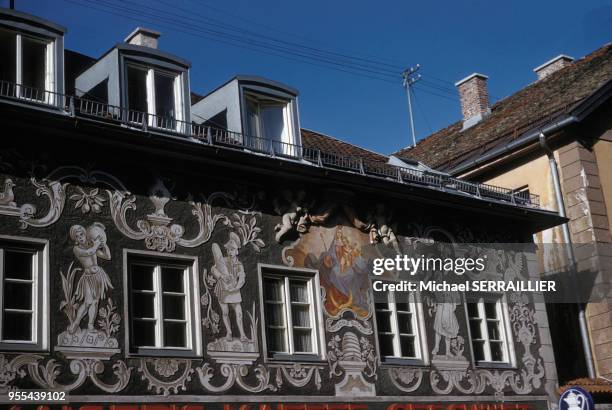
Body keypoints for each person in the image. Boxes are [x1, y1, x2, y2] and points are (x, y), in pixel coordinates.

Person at [69, 223, 113, 334]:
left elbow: (107, 256)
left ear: (85, 235)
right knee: (88, 302)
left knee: (95, 302)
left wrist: (104, 244)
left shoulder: (92, 246)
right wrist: (96, 244)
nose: (81, 238)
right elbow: (89, 252)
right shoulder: (77, 249)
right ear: (76, 239)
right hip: (87, 277)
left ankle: (90, 326)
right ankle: (76, 322)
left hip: (98, 276)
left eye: (82, 235)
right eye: (78, 236)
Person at [211, 232, 247, 341]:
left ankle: (242, 335)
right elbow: (213, 269)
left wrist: (236, 287)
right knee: (225, 312)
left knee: (239, 313)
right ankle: (229, 332)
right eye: (228, 249)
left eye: (231, 249)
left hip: (234, 289)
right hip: (223, 288)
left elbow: (242, 278)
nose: (229, 252)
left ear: (236, 251)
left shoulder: (239, 264)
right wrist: (221, 276)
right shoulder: (224, 261)